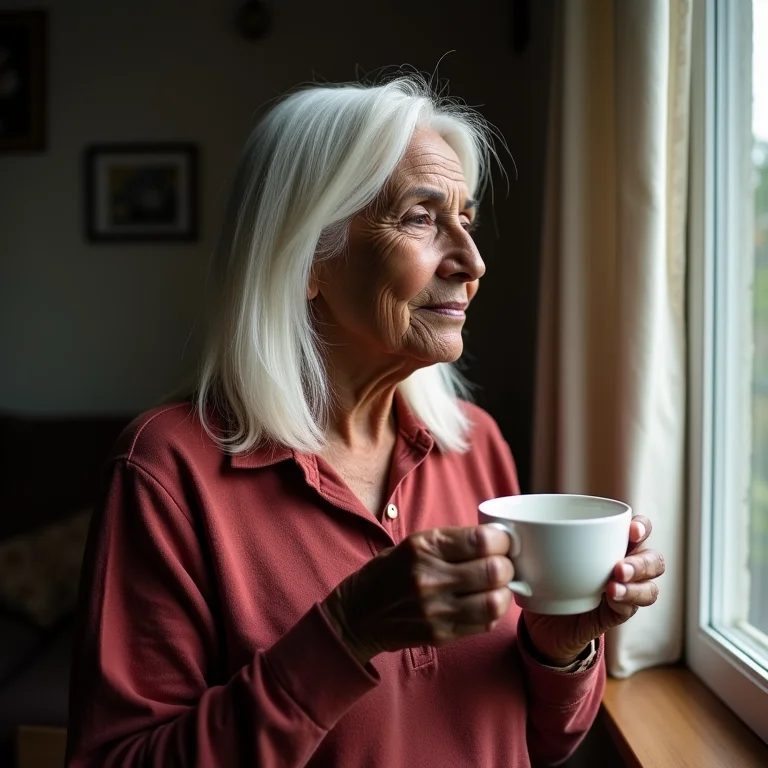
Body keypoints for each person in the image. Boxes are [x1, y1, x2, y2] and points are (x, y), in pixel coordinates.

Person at [65, 75, 665, 767]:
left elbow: (541, 741)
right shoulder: (166, 470)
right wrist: (344, 634)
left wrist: (558, 649)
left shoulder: (473, 443)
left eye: (464, 219)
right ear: (304, 258)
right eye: (419, 217)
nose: (472, 262)